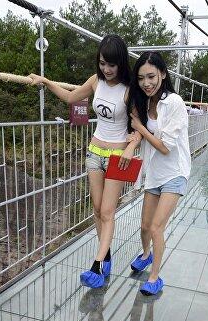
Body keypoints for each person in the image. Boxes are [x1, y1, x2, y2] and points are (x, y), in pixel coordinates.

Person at [29, 35, 137, 289]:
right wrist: (45, 81)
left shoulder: (131, 89)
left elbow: (141, 124)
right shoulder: (95, 81)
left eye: (112, 64)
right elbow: (70, 97)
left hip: (118, 158)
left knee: (108, 211)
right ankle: (106, 253)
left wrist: (132, 146)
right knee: (97, 210)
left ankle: (97, 265)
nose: (106, 70)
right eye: (102, 63)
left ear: (121, 63)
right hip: (94, 152)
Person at [119, 52, 190, 296]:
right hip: (154, 173)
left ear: (163, 74)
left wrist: (138, 127)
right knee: (145, 226)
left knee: (157, 228)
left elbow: (165, 146)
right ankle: (146, 255)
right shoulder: (144, 101)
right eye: (141, 78)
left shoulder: (174, 103)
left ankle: (154, 277)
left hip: (175, 173)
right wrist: (133, 138)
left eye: (151, 76)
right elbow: (143, 135)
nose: (146, 83)